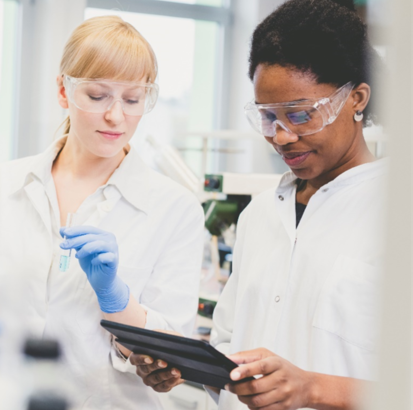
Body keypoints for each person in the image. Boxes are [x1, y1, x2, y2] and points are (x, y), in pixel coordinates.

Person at [131, 0, 386, 409]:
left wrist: (311, 388)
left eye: (300, 115)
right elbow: (230, 346)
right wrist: (188, 367)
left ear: (356, 98)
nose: (281, 137)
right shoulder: (260, 215)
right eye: (269, 117)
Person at [0, 16, 204, 409]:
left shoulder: (175, 208)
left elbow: (171, 353)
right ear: (63, 90)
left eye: (132, 100)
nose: (116, 116)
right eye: (98, 96)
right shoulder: (2, 184)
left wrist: (116, 300)